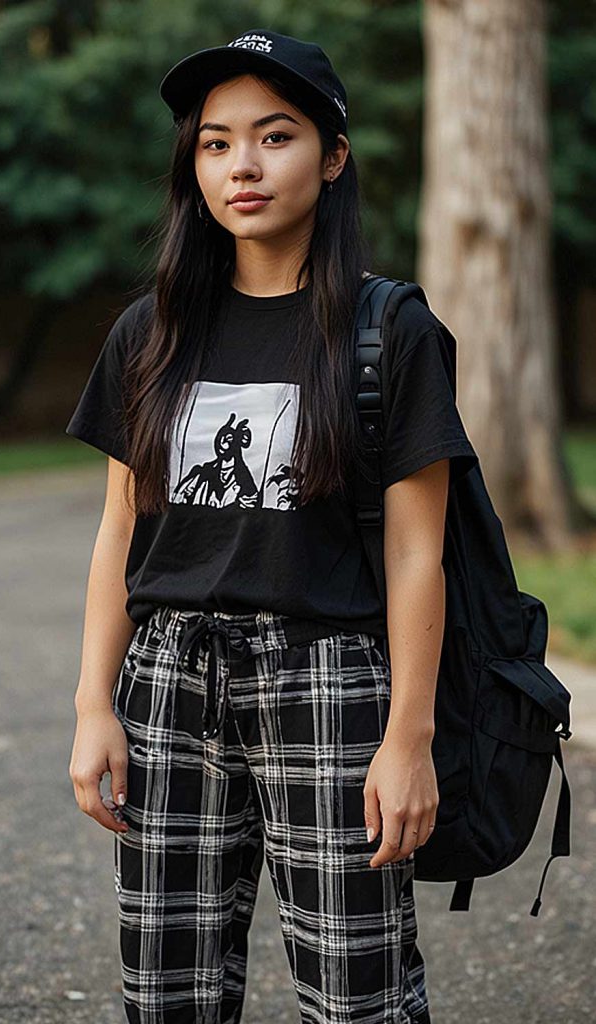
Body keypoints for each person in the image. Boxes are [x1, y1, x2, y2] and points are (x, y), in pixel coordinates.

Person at [66, 27, 477, 1024]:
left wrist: (406, 738)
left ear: (332, 157)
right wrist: (92, 705)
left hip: (329, 679)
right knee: (165, 990)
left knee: (357, 993)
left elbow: (418, 548)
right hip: (167, 680)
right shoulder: (150, 328)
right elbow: (121, 527)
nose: (240, 165)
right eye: (214, 142)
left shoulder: (388, 330)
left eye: (274, 135)